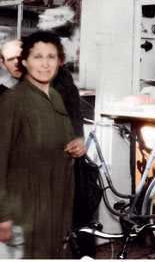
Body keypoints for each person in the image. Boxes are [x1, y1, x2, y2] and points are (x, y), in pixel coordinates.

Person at [0, 31, 86, 259]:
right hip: (23, 213)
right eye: (38, 57)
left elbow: (64, 142)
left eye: (51, 57)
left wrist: (77, 146)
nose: (45, 64)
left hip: (54, 209)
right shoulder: (12, 100)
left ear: (60, 63)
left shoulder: (55, 97)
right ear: (25, 62)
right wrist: (3, 216)